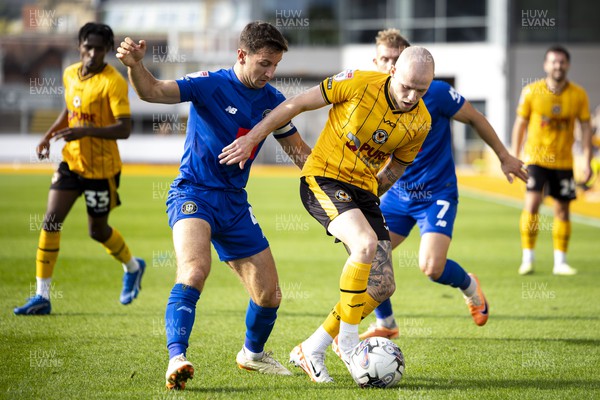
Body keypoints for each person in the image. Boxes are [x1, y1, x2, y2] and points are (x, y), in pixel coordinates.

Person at [219, 46, 435, 382]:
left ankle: (313, 347)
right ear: (393, 71)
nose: (411, 96)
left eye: (421, 90)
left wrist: (369, 202)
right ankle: (348, 345)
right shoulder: (357, 82)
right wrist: (252, 139)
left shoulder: (422, 121)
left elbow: (394, 171)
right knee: (364, 245)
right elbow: (295, 104)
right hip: (324, 177)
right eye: (406, 86)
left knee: (382, 286)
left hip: (364, 192)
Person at [116, 21, 311, 390]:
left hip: (235, 204)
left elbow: (301, 155)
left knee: (269, 295)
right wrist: (135, 65)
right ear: (242, 55)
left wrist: (344, 177)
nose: (270, 73)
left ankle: (252, 355)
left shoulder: (273, 101)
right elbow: (153, 91)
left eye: (275, 66)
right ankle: (177, 358)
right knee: (194, 270)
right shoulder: (209, 83)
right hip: (194, 193)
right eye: (264, 64)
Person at [359, 29, 528, 340]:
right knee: (365, 252)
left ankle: (470, 286)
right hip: (395, 194)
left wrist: (504, 156)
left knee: (431, 267)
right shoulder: (371, 95)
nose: (390, 65)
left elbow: (476, 117)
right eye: (384, 59)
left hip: (436, 194)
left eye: (396, 59)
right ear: (377, 61)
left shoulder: (434, 93)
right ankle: (387, 323)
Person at [14, 22, 145, 316]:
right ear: (80, 46)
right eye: (89, 47)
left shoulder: (113, 83)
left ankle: (133, 267)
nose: (93, 53)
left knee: (97, 231)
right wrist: (48, 136)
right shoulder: (70, 73)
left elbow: (124, 129)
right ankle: (42, 296)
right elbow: (69, 111)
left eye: (100, 48)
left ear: (108, 50)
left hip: (101, 168)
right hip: (71, 162)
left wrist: (84, 131)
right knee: (51, 221)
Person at [511, 45, 593, 276]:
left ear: (568, 65)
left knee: (563, 210)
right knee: (532, 203)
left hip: (564, 162)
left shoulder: (578, 95)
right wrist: (515, 156)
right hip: (536, 158)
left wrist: (586, 160)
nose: (558, 66)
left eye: (562, 62)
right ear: (546, 65)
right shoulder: (531, 92)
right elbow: (520, 125)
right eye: (553, 62)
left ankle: (560, 262)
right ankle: (527, 258)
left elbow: (586, 127)